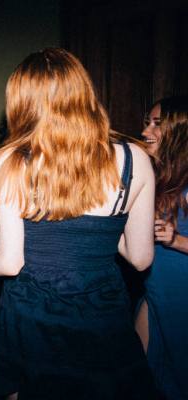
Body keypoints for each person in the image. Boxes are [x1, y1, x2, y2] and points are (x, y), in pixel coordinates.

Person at [0, 48, 156, 399]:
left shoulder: (12, 161)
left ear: (23, 103)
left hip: (34, 317)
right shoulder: (135, 158)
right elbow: (140, 258)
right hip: (102, 315)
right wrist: (102, 231)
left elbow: (9, 261)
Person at [136, 95, 188, 399]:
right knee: (140, 377)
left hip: (182, 302)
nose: (146, 132)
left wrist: (176, 239)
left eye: (157, 124)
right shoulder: (155, 177)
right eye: (147, 122)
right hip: (154, 295)